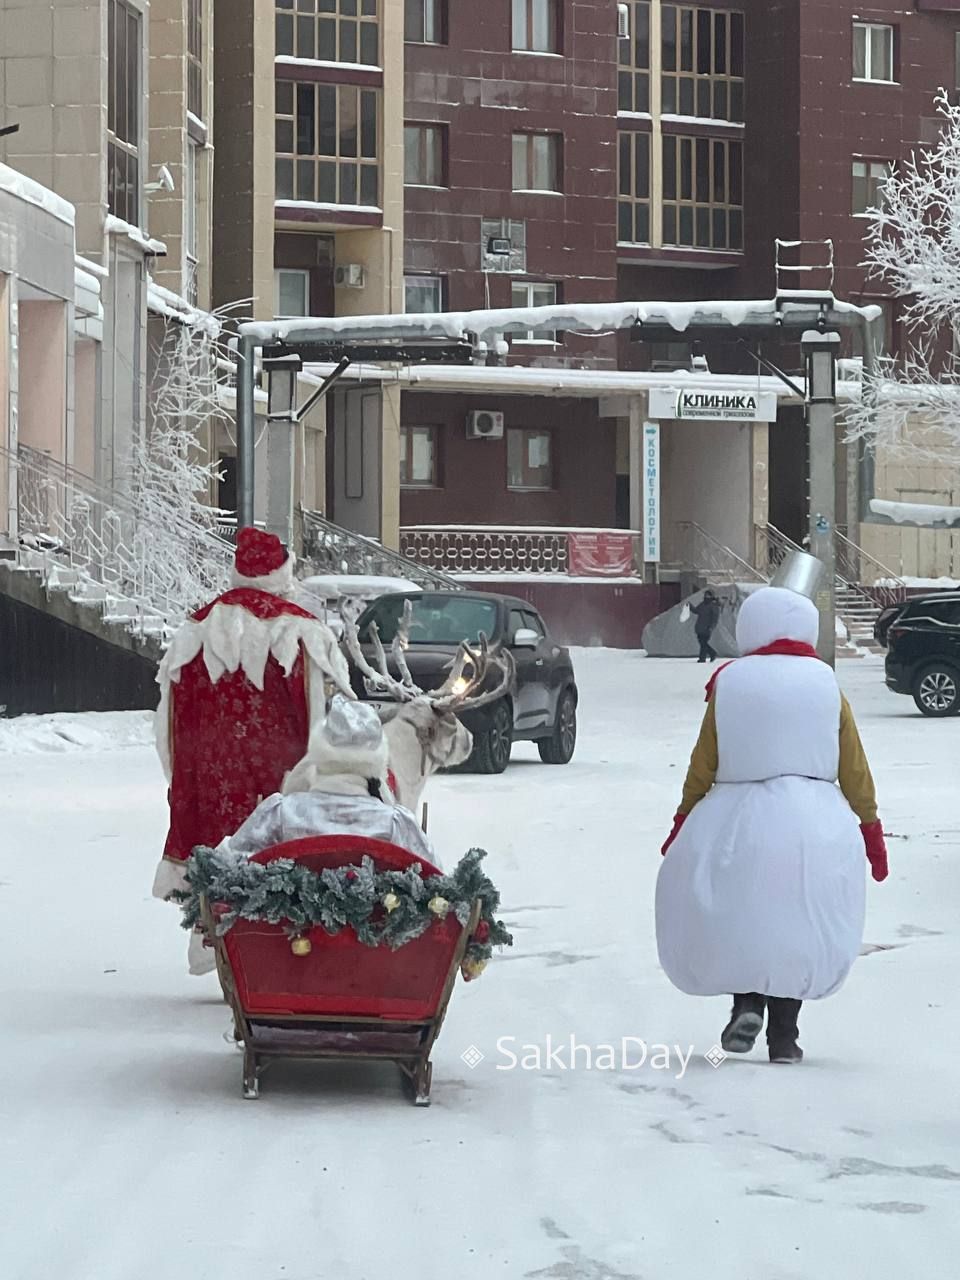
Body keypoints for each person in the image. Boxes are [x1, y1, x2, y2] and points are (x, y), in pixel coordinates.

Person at [656, 585, 888, 1064]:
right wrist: (870, 829)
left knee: (745, 918)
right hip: (813, 826)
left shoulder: (731, 682)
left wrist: (683, 820)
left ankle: (746, 1006)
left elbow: (704, 761)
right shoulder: (825, 683)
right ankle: (785, 1035)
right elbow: (854, 765)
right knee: (796, 927)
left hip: (737, 823)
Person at [152, 526, 352, 973]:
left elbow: (168, 719)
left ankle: (217, 947)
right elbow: (325, 717)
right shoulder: (302, 631)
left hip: (211, 777)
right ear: (282, 571)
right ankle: (277, 958)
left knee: (218, 855)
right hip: (284, 778)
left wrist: (180, 776)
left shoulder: (197, 628)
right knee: (283, 858)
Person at [219, 696, 438, 868]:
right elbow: (438, 888)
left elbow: (220, 868)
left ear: (318, 752)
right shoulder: (395, 824)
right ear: (377, 761)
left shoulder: (279, 814)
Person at [690, 589, 721, 663]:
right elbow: (696, 611)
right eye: (705, 595)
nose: (706, 596)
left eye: (708, 595)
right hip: (700, 627)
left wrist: (711, 627)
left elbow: (715, 619)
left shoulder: (714, 605)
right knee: (702, 643)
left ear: (711, 596)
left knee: (703, 643)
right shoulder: (702, 604)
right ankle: (712, 653)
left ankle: (703, 658)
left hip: (707, 628)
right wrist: (690, 606)